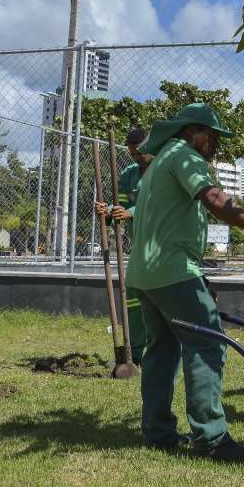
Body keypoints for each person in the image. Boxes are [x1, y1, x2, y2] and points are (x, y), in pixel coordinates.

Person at [100, 103, 244, 462]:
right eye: (214, 137)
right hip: (171, 272)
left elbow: (167, 226)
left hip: (146, 274)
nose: (217, 146)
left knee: (162, 351)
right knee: (208, 345)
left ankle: (158, 434)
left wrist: (198, 275)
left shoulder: (159, 161)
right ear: (192, 130)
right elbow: (214, 199)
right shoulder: (185, 156)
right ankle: (211, 440)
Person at [100, 127, 153, 363]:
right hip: (138, 249)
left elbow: (161, 207)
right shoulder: (128, 175)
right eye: (132, 154)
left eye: (140, 153)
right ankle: (135, 355)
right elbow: (118, 206)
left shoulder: (165, 172)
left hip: (163, 248)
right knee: (132, 300)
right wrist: (108, 211)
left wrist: (131, 212)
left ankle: (164, 352)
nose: (136, 158)